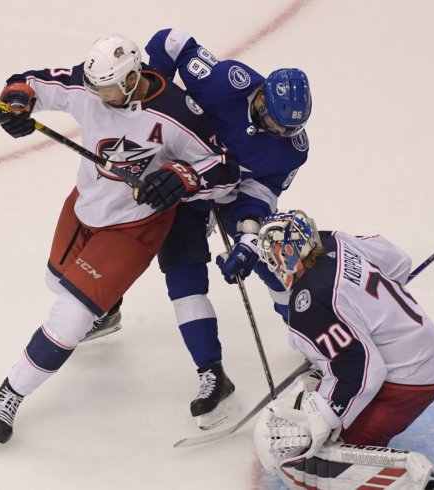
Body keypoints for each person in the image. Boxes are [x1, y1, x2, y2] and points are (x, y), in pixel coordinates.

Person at [0, 33, 240, 452]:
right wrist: (16, 103)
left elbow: (225, 167)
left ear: (133, 77)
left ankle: (10, 392)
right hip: (83, 209)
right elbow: (30, 81)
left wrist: (182, 177)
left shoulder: (174, 113)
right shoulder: (92, 86)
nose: (95, 94)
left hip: (133, 229)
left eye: (106, 87)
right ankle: (108, 313)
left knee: (68, 318)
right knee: (56, 281)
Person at [88, 28, 311, 430]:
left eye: (287, 130)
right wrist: (157, 104)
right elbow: (171, 41)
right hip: (179, 183)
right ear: (260, 97)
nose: (279, 134)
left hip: (229, 196)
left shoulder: (293, 147)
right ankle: (212, 373)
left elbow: (260, 192)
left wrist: (246, 239)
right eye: (274, 124)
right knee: (183, 277)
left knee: (274, 263)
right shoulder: (228, 81)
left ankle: (312, 337)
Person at [249, 211, 434, 490]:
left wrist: (321, 422)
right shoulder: (334, 241)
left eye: (274, 256)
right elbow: (399, 261)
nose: (274, 265)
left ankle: (424, 486)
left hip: (409, 380)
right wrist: (373, 309)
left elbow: (364, 370)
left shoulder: (309, 302)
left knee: (329, 456)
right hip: (423, 347)